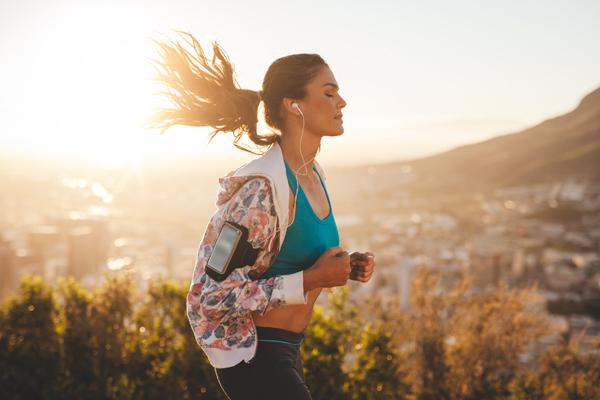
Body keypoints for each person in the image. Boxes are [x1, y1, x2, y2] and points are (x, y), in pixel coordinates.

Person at [148, 31, 376, 400]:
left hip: (287, 350)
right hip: (254, 357)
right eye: (329, 92)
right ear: (294, 105)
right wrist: (313, 277)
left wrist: (345, 266)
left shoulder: (313, 175)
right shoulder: (260, 191)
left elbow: (290, 261)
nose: (343, 102)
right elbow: (211, 295)